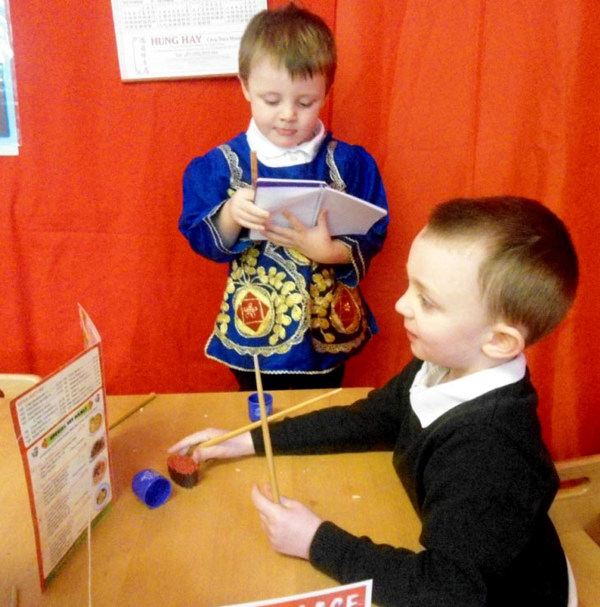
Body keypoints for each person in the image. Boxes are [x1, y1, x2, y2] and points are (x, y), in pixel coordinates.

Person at [170, 196, 579, 606]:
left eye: (428, 301)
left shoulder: (489, 454)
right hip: (458, 554)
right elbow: (372, 418)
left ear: (500, 341)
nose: (401, 305)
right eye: (410, 286)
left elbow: (447, 590)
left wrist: (316, 541)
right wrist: (251, 439)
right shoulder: (445, 365)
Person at [179, 3, 388, 391]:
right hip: (253, 326)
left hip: (327, 329)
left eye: (305, 102)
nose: (288, 115)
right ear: (245, 87)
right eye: (271, 100)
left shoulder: (348, 162)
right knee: (261, 419)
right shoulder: (222, 165)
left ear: (326, 91)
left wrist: (330, 253)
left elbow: (374, 230)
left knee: (322, 419)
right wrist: (229, 213)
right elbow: (199, 235)